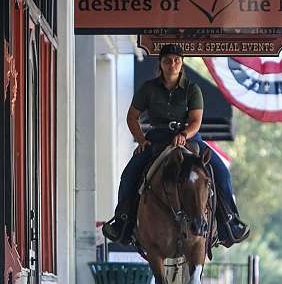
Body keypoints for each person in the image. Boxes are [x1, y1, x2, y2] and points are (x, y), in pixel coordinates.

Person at [102, 44, 249, 248]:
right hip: (157, 137)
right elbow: (132, 117)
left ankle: (229, 223)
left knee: (221, 171)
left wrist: (184, 134)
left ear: (182, 64)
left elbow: (196, 121)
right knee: (129, 173)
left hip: (190, 138)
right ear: (160, 64)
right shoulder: (149, 88)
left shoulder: (192, 89)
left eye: (176, 61)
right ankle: (122, 222)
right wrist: (142, 139)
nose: (172, 65)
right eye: (167, 61)